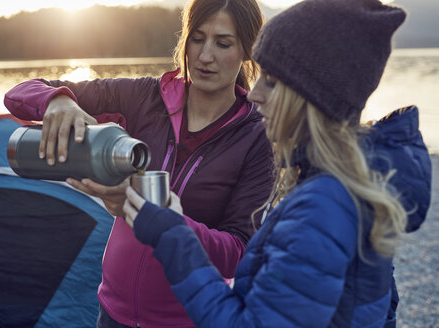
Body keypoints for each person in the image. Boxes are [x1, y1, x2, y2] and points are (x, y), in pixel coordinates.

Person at [123, 0, 432, 327]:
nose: (253, 94)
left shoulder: (323, 209)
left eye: (270, 80)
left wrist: (172, 236)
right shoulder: (354, 184)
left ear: (310, 95)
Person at [4, 0, 272, 327]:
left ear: (248, 48)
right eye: (197, 38)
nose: (205, 56)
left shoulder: (256, 137)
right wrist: (57, 100)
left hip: (188, 319)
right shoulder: (145, 97)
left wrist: (159, 219)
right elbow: (20, 93)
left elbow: (240, 252)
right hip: (112, 313)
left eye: (223, 43)